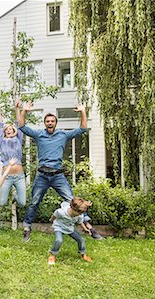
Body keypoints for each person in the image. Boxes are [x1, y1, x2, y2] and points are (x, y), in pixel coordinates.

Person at [18, 102, 102, 241]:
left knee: (73, 201)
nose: (50, 123)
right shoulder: (39, 134)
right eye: (47, 121)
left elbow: (83, 128)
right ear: (45, 123)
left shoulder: (63, 134)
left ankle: (90, 228)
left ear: (56, 123)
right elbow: (21, 126)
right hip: (42, 176)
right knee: (34, 202)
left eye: (52, 121)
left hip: (57, 175)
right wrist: (24, 111)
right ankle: (27, 228)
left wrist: (82, 111)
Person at [0, 99, 26, 207]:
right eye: (6, 129)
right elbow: (0, 124)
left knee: (22, 202)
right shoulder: (2, 140)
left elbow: (19, 123)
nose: (8, 130)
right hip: (6, 176)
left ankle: (16, 197)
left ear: (14, 130)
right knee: (1, 203)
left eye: (11, 129)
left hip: (19, 176)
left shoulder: (18, 138)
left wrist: (17, 108)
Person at [48, 197, 93, 265]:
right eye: (79, 212)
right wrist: (51, 221)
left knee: (81, 240)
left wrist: (85, 229)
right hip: (59, 227)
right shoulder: (61, 212)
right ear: (72, 208)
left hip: (69, 228)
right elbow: (54, 215)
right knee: (59, 240)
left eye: (82, 212)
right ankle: (52, 255)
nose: (80, 214)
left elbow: (80, 222)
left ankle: (83, 254)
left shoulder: (79, 215)